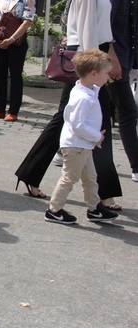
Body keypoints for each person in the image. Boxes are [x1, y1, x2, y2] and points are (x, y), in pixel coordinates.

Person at [14, 0, 128, 208]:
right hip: (88, 58)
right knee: (96, 123)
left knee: (66, 118)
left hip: (93, 55)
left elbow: (98, 28)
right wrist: (94, 70)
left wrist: (107, 56)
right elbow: (87, 28)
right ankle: (104, 195)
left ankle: (31, 173)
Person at [45, 50, 118, 225]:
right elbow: (77, 124)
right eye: (106, 73)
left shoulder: (86, 90)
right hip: (77, 146)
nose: (108, 77)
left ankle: (94, 208)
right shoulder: (83, 97)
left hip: (83, 145)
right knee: (69, 178)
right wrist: (96, 136)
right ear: (93, 74)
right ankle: (54, 210)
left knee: (90, 178)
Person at [104, 0, 138, 183]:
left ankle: (63, 148)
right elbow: (107, 28)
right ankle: (136, 166)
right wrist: (112, 58)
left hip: (126, 57)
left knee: (104, 109)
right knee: (127, 111)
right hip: (115, 60)